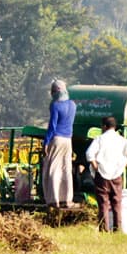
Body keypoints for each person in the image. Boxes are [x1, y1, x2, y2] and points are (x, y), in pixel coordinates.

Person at [85, 115, 127, 232]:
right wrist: (126, 164)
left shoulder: (99, 139)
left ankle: (104, 229)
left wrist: (95, 167)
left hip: (102, 175)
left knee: (103, 204)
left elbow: (89, 154)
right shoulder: (122, 140)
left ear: (104, 127)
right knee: (117, 203)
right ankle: (117, 228)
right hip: (117, 175)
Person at [42, 79, 76, 208]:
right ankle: (67, 200)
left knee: (53, 169)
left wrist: (46, 142)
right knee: (66, 169)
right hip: (68, 140)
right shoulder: (73, 104)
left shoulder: (55, 105)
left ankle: (53, 200)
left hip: (56, 139)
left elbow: (52, 126)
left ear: (55, 92)